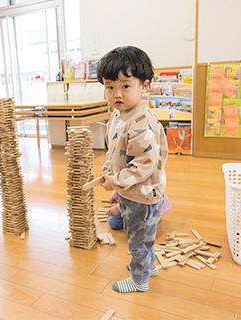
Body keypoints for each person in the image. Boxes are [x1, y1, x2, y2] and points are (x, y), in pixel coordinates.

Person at [97, 46, 168, 293]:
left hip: (143, 193)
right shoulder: (119, 114)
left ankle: (140, 280)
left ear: (144, 86)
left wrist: (115, 181)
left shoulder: (141, 122)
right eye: (109, 86)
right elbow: (114, 151)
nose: (117, 93)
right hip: (130, 191)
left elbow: (143, 165)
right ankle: (149, 266)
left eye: (125, 86)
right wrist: (109, 170)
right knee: (137, 232)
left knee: (138, 240)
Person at [106, 190, 171, 230]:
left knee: (138, 231)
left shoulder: (139, 174)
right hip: (134, 205)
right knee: (112, 221)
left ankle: (153, 218)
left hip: (147, 204)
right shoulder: (124, 171)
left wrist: (118, 209)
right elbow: (120, 184)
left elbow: (135, 199)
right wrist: (114, 196)